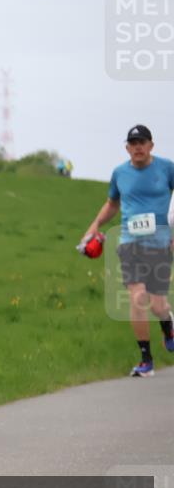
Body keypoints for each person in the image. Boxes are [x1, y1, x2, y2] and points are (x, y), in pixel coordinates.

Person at [80, 124, 174, 377]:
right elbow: (112, 203)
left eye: (142, 142)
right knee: (137, 298)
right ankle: (146, 360)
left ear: (151, 145)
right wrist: (95, 225)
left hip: (160, 245)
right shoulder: (120, 173)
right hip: (130, 244)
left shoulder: (167, 168)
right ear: (127, 148)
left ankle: (168, 325)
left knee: (158, 306)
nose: (138, 147)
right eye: (133, 144)